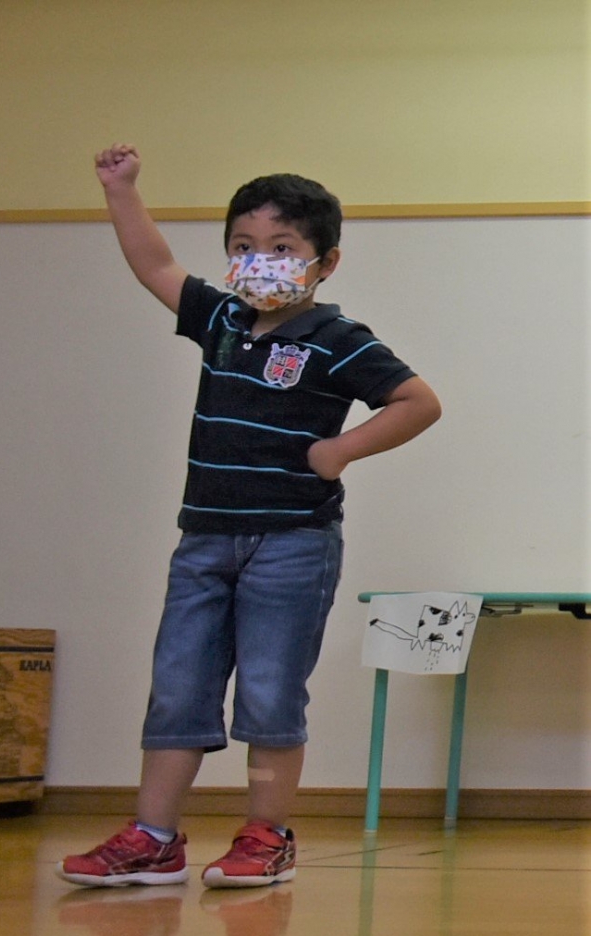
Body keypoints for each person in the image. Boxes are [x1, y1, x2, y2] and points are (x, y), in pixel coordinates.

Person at [56, 143, 441, 890]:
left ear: (325, 262)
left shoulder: (338, 340)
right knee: (178, 686)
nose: (259, 261)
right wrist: (122, 191)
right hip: (204, 538)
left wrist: (339, 451)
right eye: (243, 245)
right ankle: (154, 837)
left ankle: (266, 835)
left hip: (293, 542)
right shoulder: (222, 320)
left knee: (269, 691)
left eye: (282, 248)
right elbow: (153, 264)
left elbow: (417, 401)